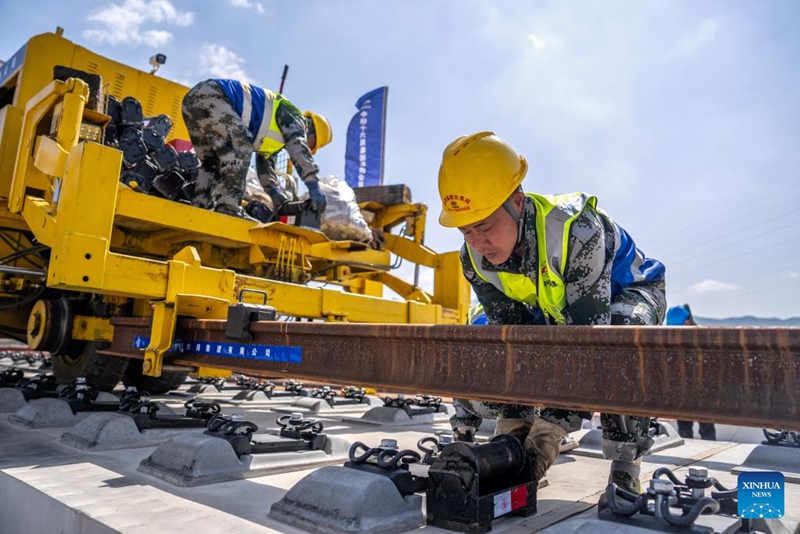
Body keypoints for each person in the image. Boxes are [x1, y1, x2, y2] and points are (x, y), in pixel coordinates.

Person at [439, 132, 667, 494]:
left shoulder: (575, 229)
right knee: (508, 350)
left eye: (484, 226)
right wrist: (513, 438)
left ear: (516, 202)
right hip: (558, 312)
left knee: (619, 341)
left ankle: (626, 462)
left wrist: (546, 439)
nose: (478, 243)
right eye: (466, 231)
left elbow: (584, 344)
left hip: (629, 294)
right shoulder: (475, 258)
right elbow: (511, 341)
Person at [181, 79, 332, 219]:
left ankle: (200, 205)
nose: (308, 146)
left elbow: (265, 163)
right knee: (241, 145)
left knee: (212, 162)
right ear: (311, 131)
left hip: (192, 102)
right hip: (214, 95)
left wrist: (273, 191)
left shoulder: (276, 138)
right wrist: (313, 184)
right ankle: (228, 207)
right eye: (312, 144)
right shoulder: (295, 118)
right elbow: (298, 147)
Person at [667, 304, 716, 441]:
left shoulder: (671, 338)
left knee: (689, 428)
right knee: (701, 429)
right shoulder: (703, 334)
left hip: (690, 390)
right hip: (698, 390)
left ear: (688, 321)